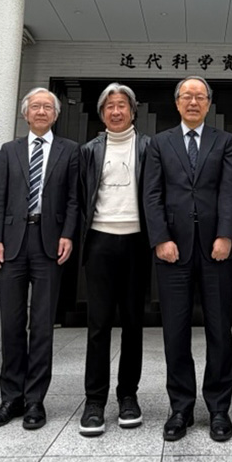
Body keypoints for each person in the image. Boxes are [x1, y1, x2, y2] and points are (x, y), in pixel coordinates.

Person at [143, 76, 232, 442]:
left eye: (200, 96)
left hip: (216, 248)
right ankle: (180, 407)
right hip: (173, 249)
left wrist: (226, 235)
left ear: (209, 103)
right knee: (175, 331)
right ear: (177, 102)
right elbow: (151, 194)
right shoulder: (160, 142)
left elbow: (230, 191)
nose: (194, 102)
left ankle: (219, 408)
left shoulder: (224, 141)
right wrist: (161, 239)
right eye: (187, 96)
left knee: (219, 330)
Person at [0, 87, 79, 430]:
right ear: (25, 114)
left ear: (56, 115)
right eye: (35, 106)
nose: (41, 111)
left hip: (49, 243)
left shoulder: (70, 150)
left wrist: (68, 233)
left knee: (41, 325)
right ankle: (11, 397)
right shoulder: (9, 150)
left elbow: (74, 198)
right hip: (11, 243)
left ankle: (36, 399)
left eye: (47, 107)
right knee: (11, 323)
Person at [78, 83, 151, 437]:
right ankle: (94, 400)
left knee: (133, 323)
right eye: (110, 106)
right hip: (100, 241)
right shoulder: (89, 150)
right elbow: (80, 197)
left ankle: (128, 396)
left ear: (133, 111)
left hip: (137, 242)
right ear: (102, 113)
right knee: (99, 324)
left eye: (122, 105)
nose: (116, 111)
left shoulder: (149, 147)